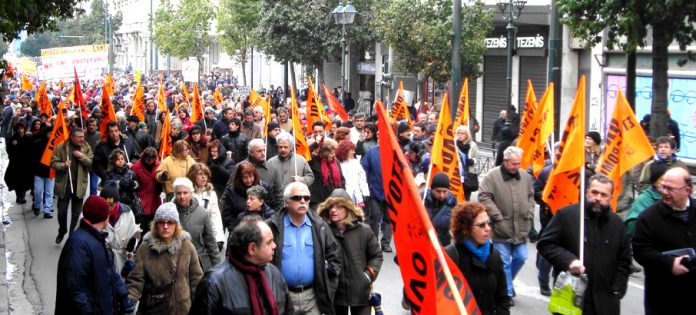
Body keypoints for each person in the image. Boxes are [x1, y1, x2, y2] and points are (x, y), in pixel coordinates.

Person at [537, 174, 631, 314]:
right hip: (571, 294)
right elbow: (545, 244)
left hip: (604, 300)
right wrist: (569, 260)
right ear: (587, 192)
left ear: (611, 198)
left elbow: (624, 260)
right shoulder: (567, 215)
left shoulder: (617, 224)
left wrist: (618, 289)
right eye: (594, 192)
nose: (598, 198)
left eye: (604, 195)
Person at [191, 216, 293, 314]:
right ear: (252, 248)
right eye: (269, 242)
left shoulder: (274, 274)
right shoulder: (214, 283)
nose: (274, 245)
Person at [267, 182, 342, 314]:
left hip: (313, 298)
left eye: (306, 198)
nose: (302, 201)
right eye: (297, 198)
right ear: (286, 202)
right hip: (282, 297)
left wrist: (328, 287)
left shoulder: (320, 226)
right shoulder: (272, 227)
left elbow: (334, 258)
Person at [632, 167, 696, 315]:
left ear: (687, 191)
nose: (664, 192)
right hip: (663, 298)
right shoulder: (648, 217)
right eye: (663, 186)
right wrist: (669, 264)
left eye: (670, 188)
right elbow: (640, 251)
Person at [55, 196, 134, 314]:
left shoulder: (98, 238)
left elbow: (111, 273)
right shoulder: (78, 244)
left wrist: (123, 296)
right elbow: (74, 289)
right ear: (105, 217)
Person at [126, 202, 204, 315]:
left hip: (182, 310)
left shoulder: (187, 247)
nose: (165, 226)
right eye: (161, 222)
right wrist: (130, 299)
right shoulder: (145, 249)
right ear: (155, 225)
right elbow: (136, 280)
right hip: (154, 309)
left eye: (170, 222)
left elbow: (196, 279)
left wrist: (199, 306)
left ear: (176, 225)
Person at [478, 146, 534, 299]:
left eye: (518, 163)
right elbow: (483, 196)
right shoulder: (492, 176)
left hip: (521, 226)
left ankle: (506, 282)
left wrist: (530, 212)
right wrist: (497, 216)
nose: (517, 166)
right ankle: (507, 292)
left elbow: (531, 195)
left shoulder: (524, 176)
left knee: (521, 257)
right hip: (501, 227)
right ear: (505, 161)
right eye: (513, 163)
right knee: (504, 262)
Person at [317, 196, 383, 315]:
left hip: (360, 293)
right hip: (335, 295)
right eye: (330, 206)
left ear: (348, 209)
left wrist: (368, 276)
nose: (333, 210)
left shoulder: (364, 230)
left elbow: (376, 255)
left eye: (339, 206)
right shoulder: (323, 231)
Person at [446, 202, 511, 315]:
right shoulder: (451, 255)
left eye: (488, 223)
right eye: (481, 225)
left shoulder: (494, 254)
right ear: (465, 228)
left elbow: (503, 299)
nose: (488, 229)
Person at [51, 128, 94, 244]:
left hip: (79, 184)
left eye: (83, 137)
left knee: (76, 213)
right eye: (79, 137)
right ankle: (62, 230)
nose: (82, 139)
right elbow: (53, 163)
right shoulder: (62, 147)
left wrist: (81, 156)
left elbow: (90, 162)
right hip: (65, 184)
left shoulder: (86, 147)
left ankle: (71, 235)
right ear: (72, 137)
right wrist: (63, 165)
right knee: (62, 212)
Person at [172, 177, 222, 272]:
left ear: (191, 193)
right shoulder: (169, 212)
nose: (182, 196)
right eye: (179, 193)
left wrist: (218, 268)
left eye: (185, 193)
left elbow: (210, 242)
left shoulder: (202, 213)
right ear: (175, 194)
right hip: (175, 263)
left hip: (199, 263)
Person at [100, 180, 141, 273]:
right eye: (105, 204)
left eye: (111, 204)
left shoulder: (128, 213)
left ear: (116, 202)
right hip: (101, 260)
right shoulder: (96, 213)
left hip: (120, 262)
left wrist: (130, 255)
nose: (108, 208)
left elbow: (133, 238)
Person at [267, 132, 314, 208]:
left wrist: (301, 180)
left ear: (291, 147)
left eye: (285, 147)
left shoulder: (300, 160)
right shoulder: (270, 162)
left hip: (296, 202)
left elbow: (310, 177)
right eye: (280, 147)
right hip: (277, 204)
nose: (282, 149)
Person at [220, 161, 269, 231]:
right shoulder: (232, 192)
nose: (249, 180)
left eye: (251, 176)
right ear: (240, 178)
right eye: (245, 177)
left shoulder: (263, 188)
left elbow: (269, 207)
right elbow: (227, 216)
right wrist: (236, 229)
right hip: (239, 231)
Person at [187, 163, 225, 250]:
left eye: (206, 174)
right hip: (189, 237)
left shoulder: (211, 194)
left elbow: (215, 217)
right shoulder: (185, 192)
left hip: (206, 236)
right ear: (193, 176)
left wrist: (219, 238)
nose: (204, 177)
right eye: (200, 174)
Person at [361, 145, 391, 252]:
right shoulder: (371, 152)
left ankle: (386, 243)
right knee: (375, 216)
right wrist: (366, 187)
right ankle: (374, 243)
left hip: (390, 192)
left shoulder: (396, 151)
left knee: (389, 218)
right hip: (374, 191)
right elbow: (364, 169)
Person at [130, 147, 162, 234]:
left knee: (152, 228)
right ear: (144, 157)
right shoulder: (136, 167)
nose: (150, 161)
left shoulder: (159, 165)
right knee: (141, 228)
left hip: (155, 201)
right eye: (148, 159)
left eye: (152, 159)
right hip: (141, 200)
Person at [308, 138, 345, 208]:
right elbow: (306, 152)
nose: (334, 155)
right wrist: (316, 144)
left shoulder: (335, 161)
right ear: (325, 153)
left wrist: (342, 192)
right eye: (331, 153)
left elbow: (342, 178)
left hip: (333, 199)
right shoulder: (314, 160)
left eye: (334, 153)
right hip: (317, 201)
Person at [104, 149, 140, 214]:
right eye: (118, 159)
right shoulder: (109, 173)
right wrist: (119, 184)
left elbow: (138, 189)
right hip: (116, 203)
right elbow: (106, 188)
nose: (120, 161)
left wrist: (134, 185)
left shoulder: (131, 173)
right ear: (113, 161)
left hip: (130, 203)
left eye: (122, 159)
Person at [425, 172, 456, 246]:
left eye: (445, 191)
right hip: (424, 245)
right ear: (432, 189)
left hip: (443, 247)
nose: (441, 195)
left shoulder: (453, 204)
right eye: (438, 191)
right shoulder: (422, 200)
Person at [335, 140, 370, 205]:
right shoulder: (337, 164)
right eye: (351, 150)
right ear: (345, 151)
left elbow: (362, 179)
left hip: (357, 197)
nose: (354, 152)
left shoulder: (355, 162)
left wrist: (365, 193)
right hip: (343, 198)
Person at [5, 122, 32, 204]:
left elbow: (30, 150)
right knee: (17, 181)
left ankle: (22, 196)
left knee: (24, 181)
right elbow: (8, 150)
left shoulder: (27, 138)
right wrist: (13, 146)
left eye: (22, 128)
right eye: (18, 129)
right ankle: (18, 196)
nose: (20, 130)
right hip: (15, 164)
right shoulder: (14, 138)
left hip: (25, 164)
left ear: (24, 129)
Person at [455, 124, 479, 200]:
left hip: (468, 175)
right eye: (458, 133)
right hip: (457, 174)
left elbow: (476, 157)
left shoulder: (473, 145)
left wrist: (472, 161)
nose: (460, 135)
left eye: (462, 133)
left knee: (466, 197)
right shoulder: (454, 144)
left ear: (467, 135)